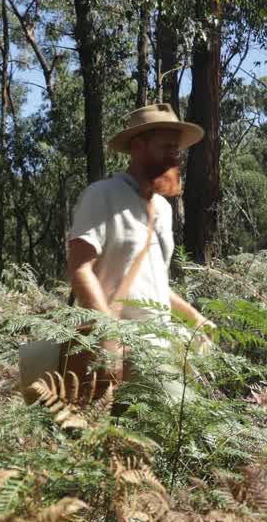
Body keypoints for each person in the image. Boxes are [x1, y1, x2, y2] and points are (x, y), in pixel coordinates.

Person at [63, 103, 214, 389]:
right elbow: (80, 268)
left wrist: (194, 317)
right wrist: (107, 336)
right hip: (126, 341)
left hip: (164, 338)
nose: (173, 155)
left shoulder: (163, 209)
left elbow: (153, 285)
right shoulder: (101, 196)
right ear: (138, 146)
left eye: (176, 149)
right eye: (165, 147)